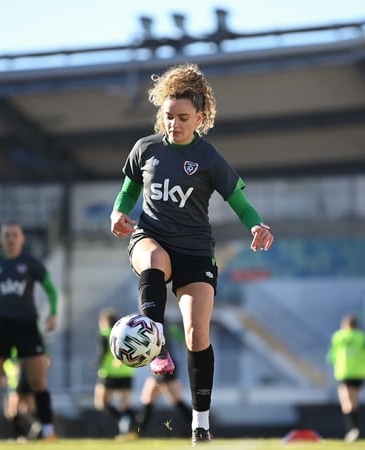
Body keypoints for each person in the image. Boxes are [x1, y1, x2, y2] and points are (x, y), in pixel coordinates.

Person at [110, 62, 274, 444]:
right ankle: (156, 342)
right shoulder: (145, 149)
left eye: (183, 117)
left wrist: (256, 224)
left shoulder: (210, 158)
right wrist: (118, 212)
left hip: (196, 251)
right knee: (152, 261)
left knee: (197, 333)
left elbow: (239, 200)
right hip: (150, 236)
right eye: (168, 116)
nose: (174, 124)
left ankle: (200, 422)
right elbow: (129, 190)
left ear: (200, 116)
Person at [0, 221, 59, 442]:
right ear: (1, 239)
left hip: (27, 324)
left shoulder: (30, 263)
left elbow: (50, 289)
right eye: (6, 235)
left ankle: (48, 432)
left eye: (14, 234)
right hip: (0, 324)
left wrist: (53, 313)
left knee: (38, 382)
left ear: (22, 238)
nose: (10, 238)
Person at [135, 323, 192, 438]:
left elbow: (183, 339)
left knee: (169, 399)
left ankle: (138, 431)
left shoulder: (154, 324)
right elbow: (183, 339)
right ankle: (138, 431)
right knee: (151, 399)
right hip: (163, 364)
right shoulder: (167, 324)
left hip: (164, 365)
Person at [326, 314, 365, 443]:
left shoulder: (339, 337)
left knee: (346, 402)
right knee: (354, 401)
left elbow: (331, 355)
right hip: (360, 373)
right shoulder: (362, 337)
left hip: (345, 372)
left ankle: (352, 429)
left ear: (345, 325)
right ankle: (355, 429)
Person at [94, 308, 137, 440]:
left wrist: (98, 364)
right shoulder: (124, 332)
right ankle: (130, 428)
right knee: (125, 405)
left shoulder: (105, 333)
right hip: (127, 371)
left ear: (105, 321)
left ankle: (124, 422)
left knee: (101, 403)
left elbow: (103, 351)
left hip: (109, 373)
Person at [3, 349, 42, 441]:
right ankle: (32, 426)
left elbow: (16, 369)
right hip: (18, 383)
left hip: (17, 385)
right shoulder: (7, 359)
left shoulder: (13, 353)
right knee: (22, 409)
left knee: (12, 410)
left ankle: (20, 434)